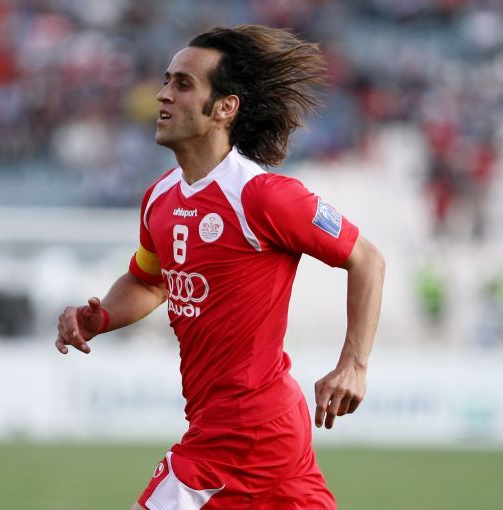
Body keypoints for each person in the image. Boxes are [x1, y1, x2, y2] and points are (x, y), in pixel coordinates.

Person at [56, 25, 385, 510]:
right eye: (166, 81)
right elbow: (149, 282)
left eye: (183, 84)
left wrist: (353, 365)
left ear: (225, 107)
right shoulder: (160, 199)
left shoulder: (262, 196)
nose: (163, 95)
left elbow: (367, 259)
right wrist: (100, 316)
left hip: (242, 430)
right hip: (261, 430)